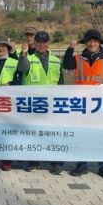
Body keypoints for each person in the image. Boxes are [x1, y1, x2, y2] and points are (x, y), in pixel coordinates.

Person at [69, 29, 103, 179]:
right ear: (85, 43)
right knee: (82, 135)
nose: (92, 43)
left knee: (102, 135)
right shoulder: (78, 58)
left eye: (95, 41)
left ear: (99, 43)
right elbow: (66, 64)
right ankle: (81, 165)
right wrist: (70, 49)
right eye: (89, 41)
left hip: (101, 104)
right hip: (82, 103)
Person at [0, 35, 29, 171]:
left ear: (8, 48)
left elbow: (19, 80)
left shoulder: (14, 62)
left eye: (3, 46)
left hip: (7, 103)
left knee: (7, 131)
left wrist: (10, 84)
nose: (0, 48)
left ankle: (7, 160)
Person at [23, 30, 64, 174]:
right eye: (39, 42)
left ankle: (56, 163)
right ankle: (34, 161)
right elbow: (22, 69)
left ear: (48, 43)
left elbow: (61, 82)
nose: (42, 44)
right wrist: (23, 55)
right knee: (33, 133)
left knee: (53, 134)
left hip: (52, 103)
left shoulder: (56, 60)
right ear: (34, 43)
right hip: (34, 104)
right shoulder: (28, 58)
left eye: (44, 42)